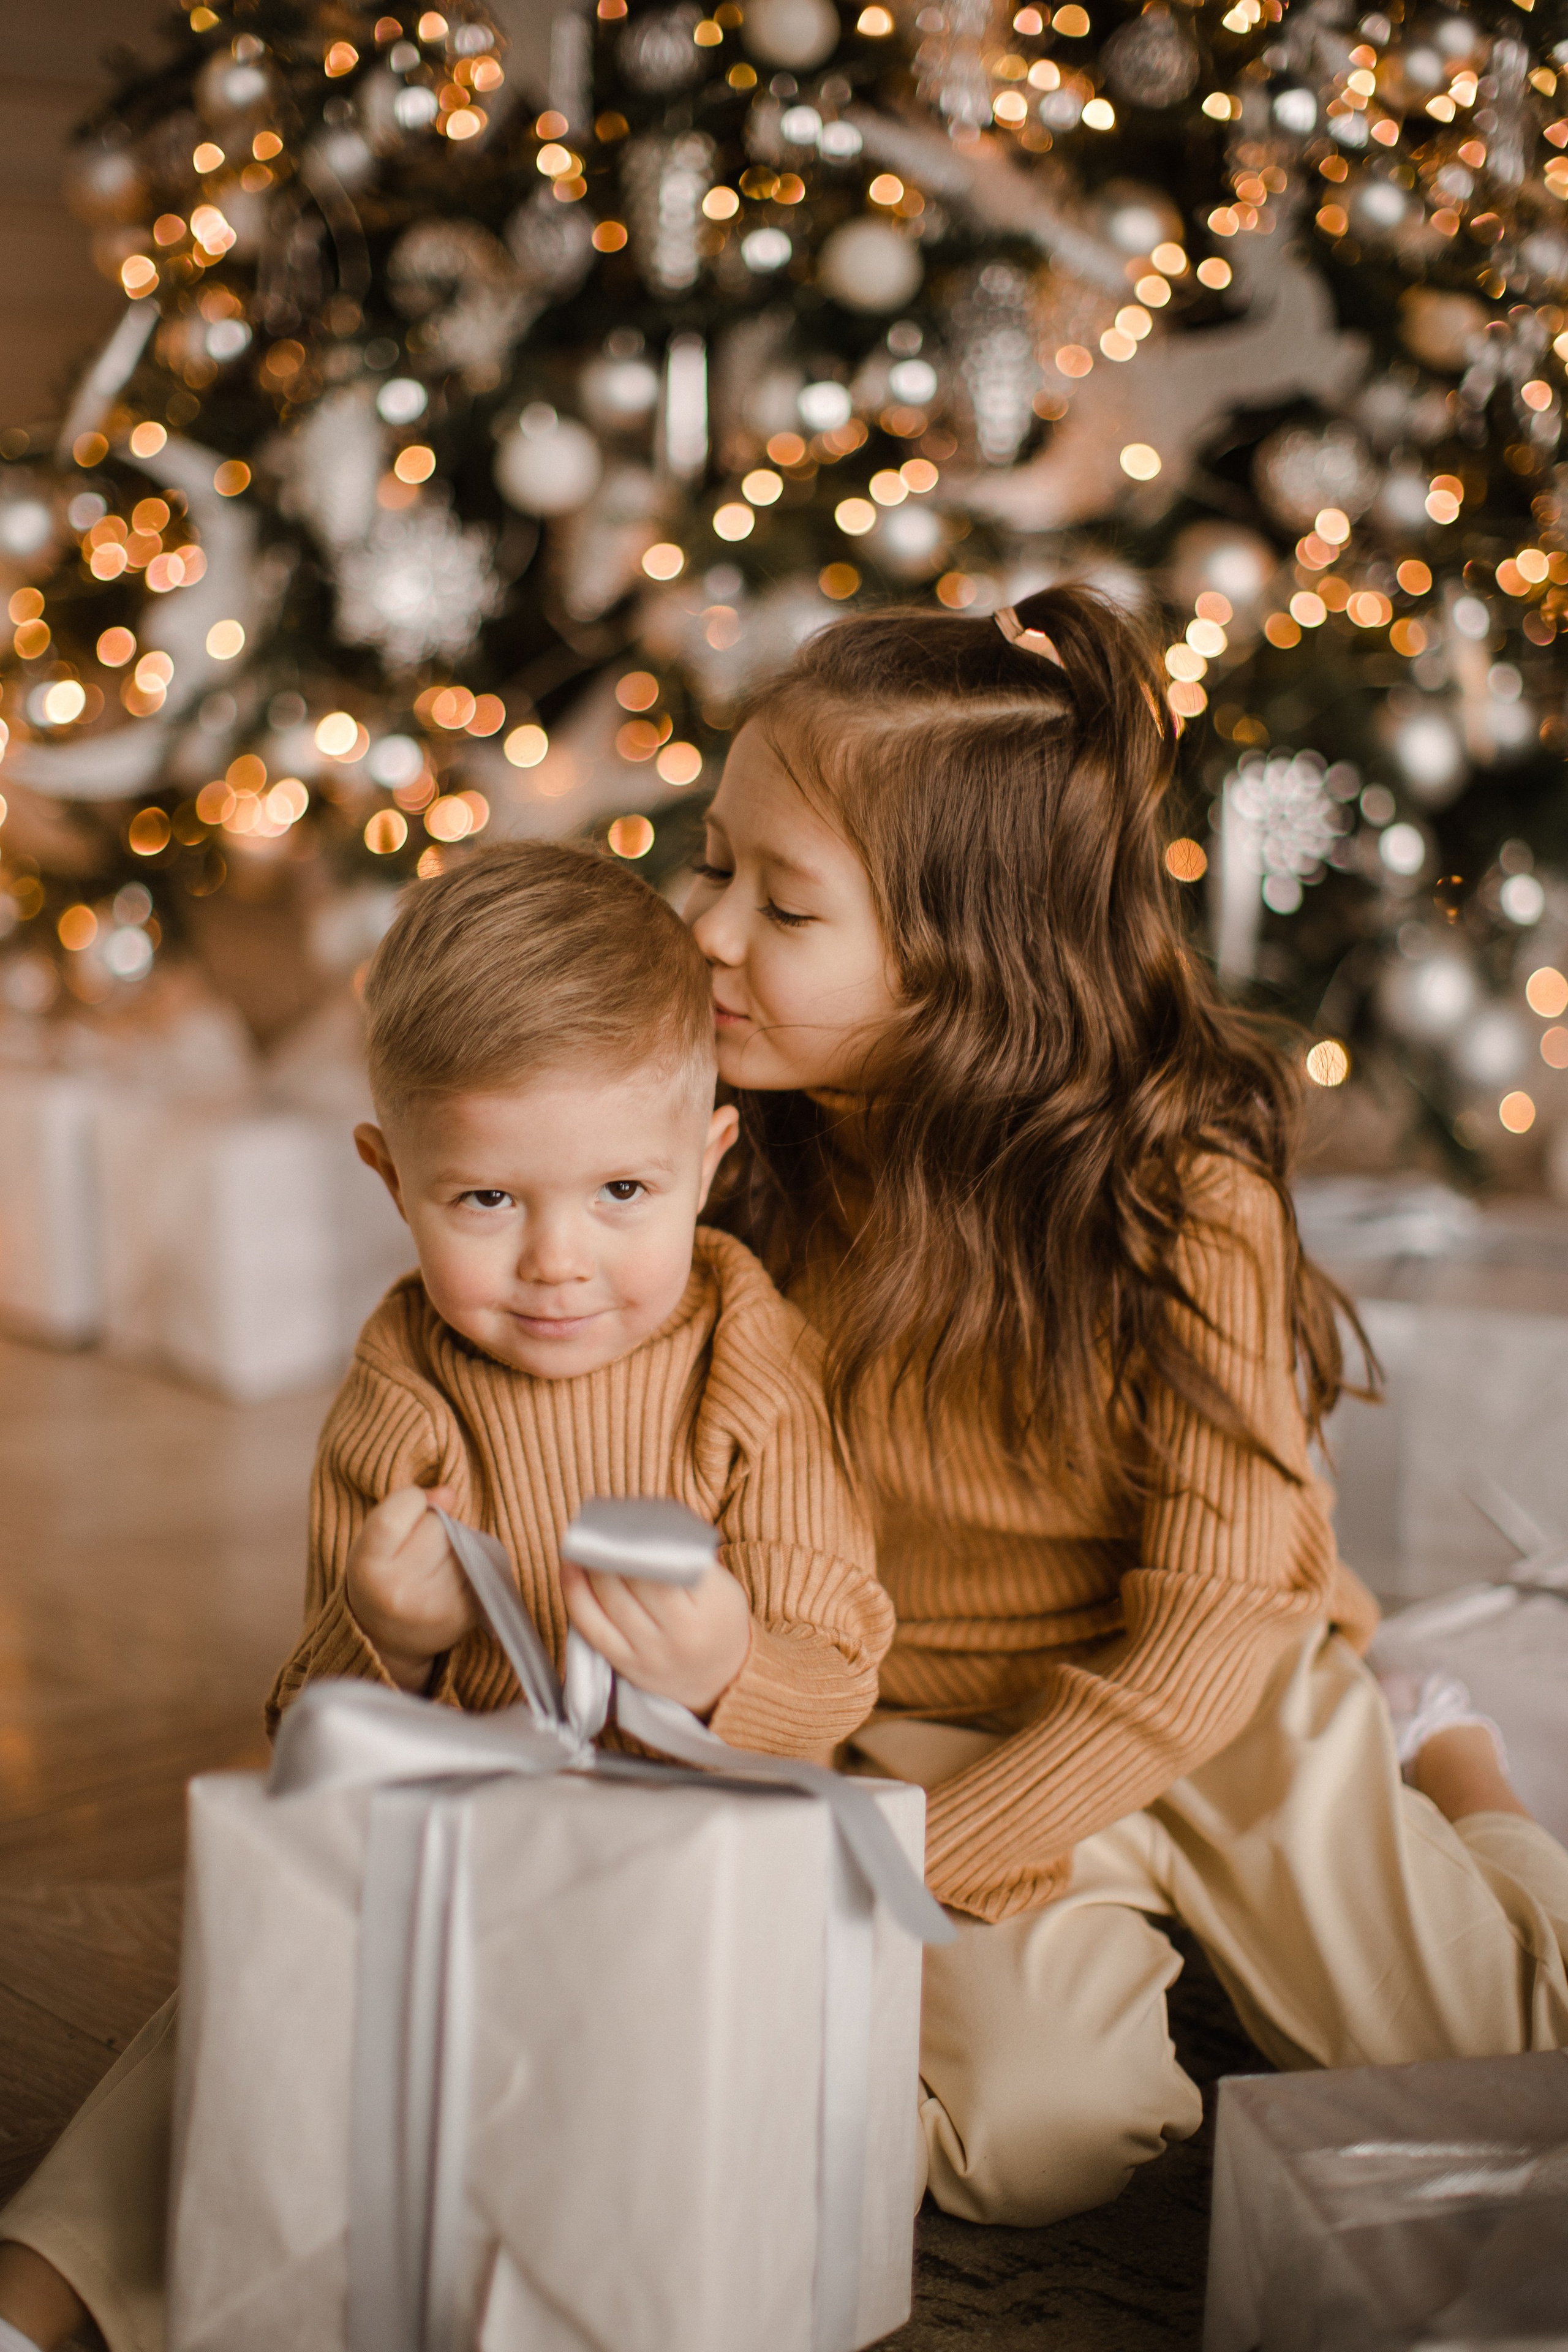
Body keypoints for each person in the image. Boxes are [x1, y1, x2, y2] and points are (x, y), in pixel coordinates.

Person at [686, 584, 1568, 2228]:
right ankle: (1173, 1947)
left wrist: (928, 1863)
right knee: (1030, 2141)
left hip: (1221, 1683)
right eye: (714, 863)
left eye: (781, 907)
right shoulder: (732, 1162)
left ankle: (1451, 1765)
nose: (709, 930)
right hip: (937, 1713)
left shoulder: (1182, 1203)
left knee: (1517, 2056)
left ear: (973, 958)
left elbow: (1219, 1615)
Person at [0, 841, 891, 2352]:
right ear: (388, 1174)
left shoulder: (751, 1360)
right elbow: (309, 1729)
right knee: (241, 2018)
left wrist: (731, 1655)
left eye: (622, 1192)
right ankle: (43, 2297)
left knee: (645, 2112)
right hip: (450, 1833)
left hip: (682, 1841)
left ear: (711, 1159)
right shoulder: (406, 1385)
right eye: (484, 1198)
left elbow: (842, 1657)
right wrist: (387, 1636)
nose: (558, 1263)